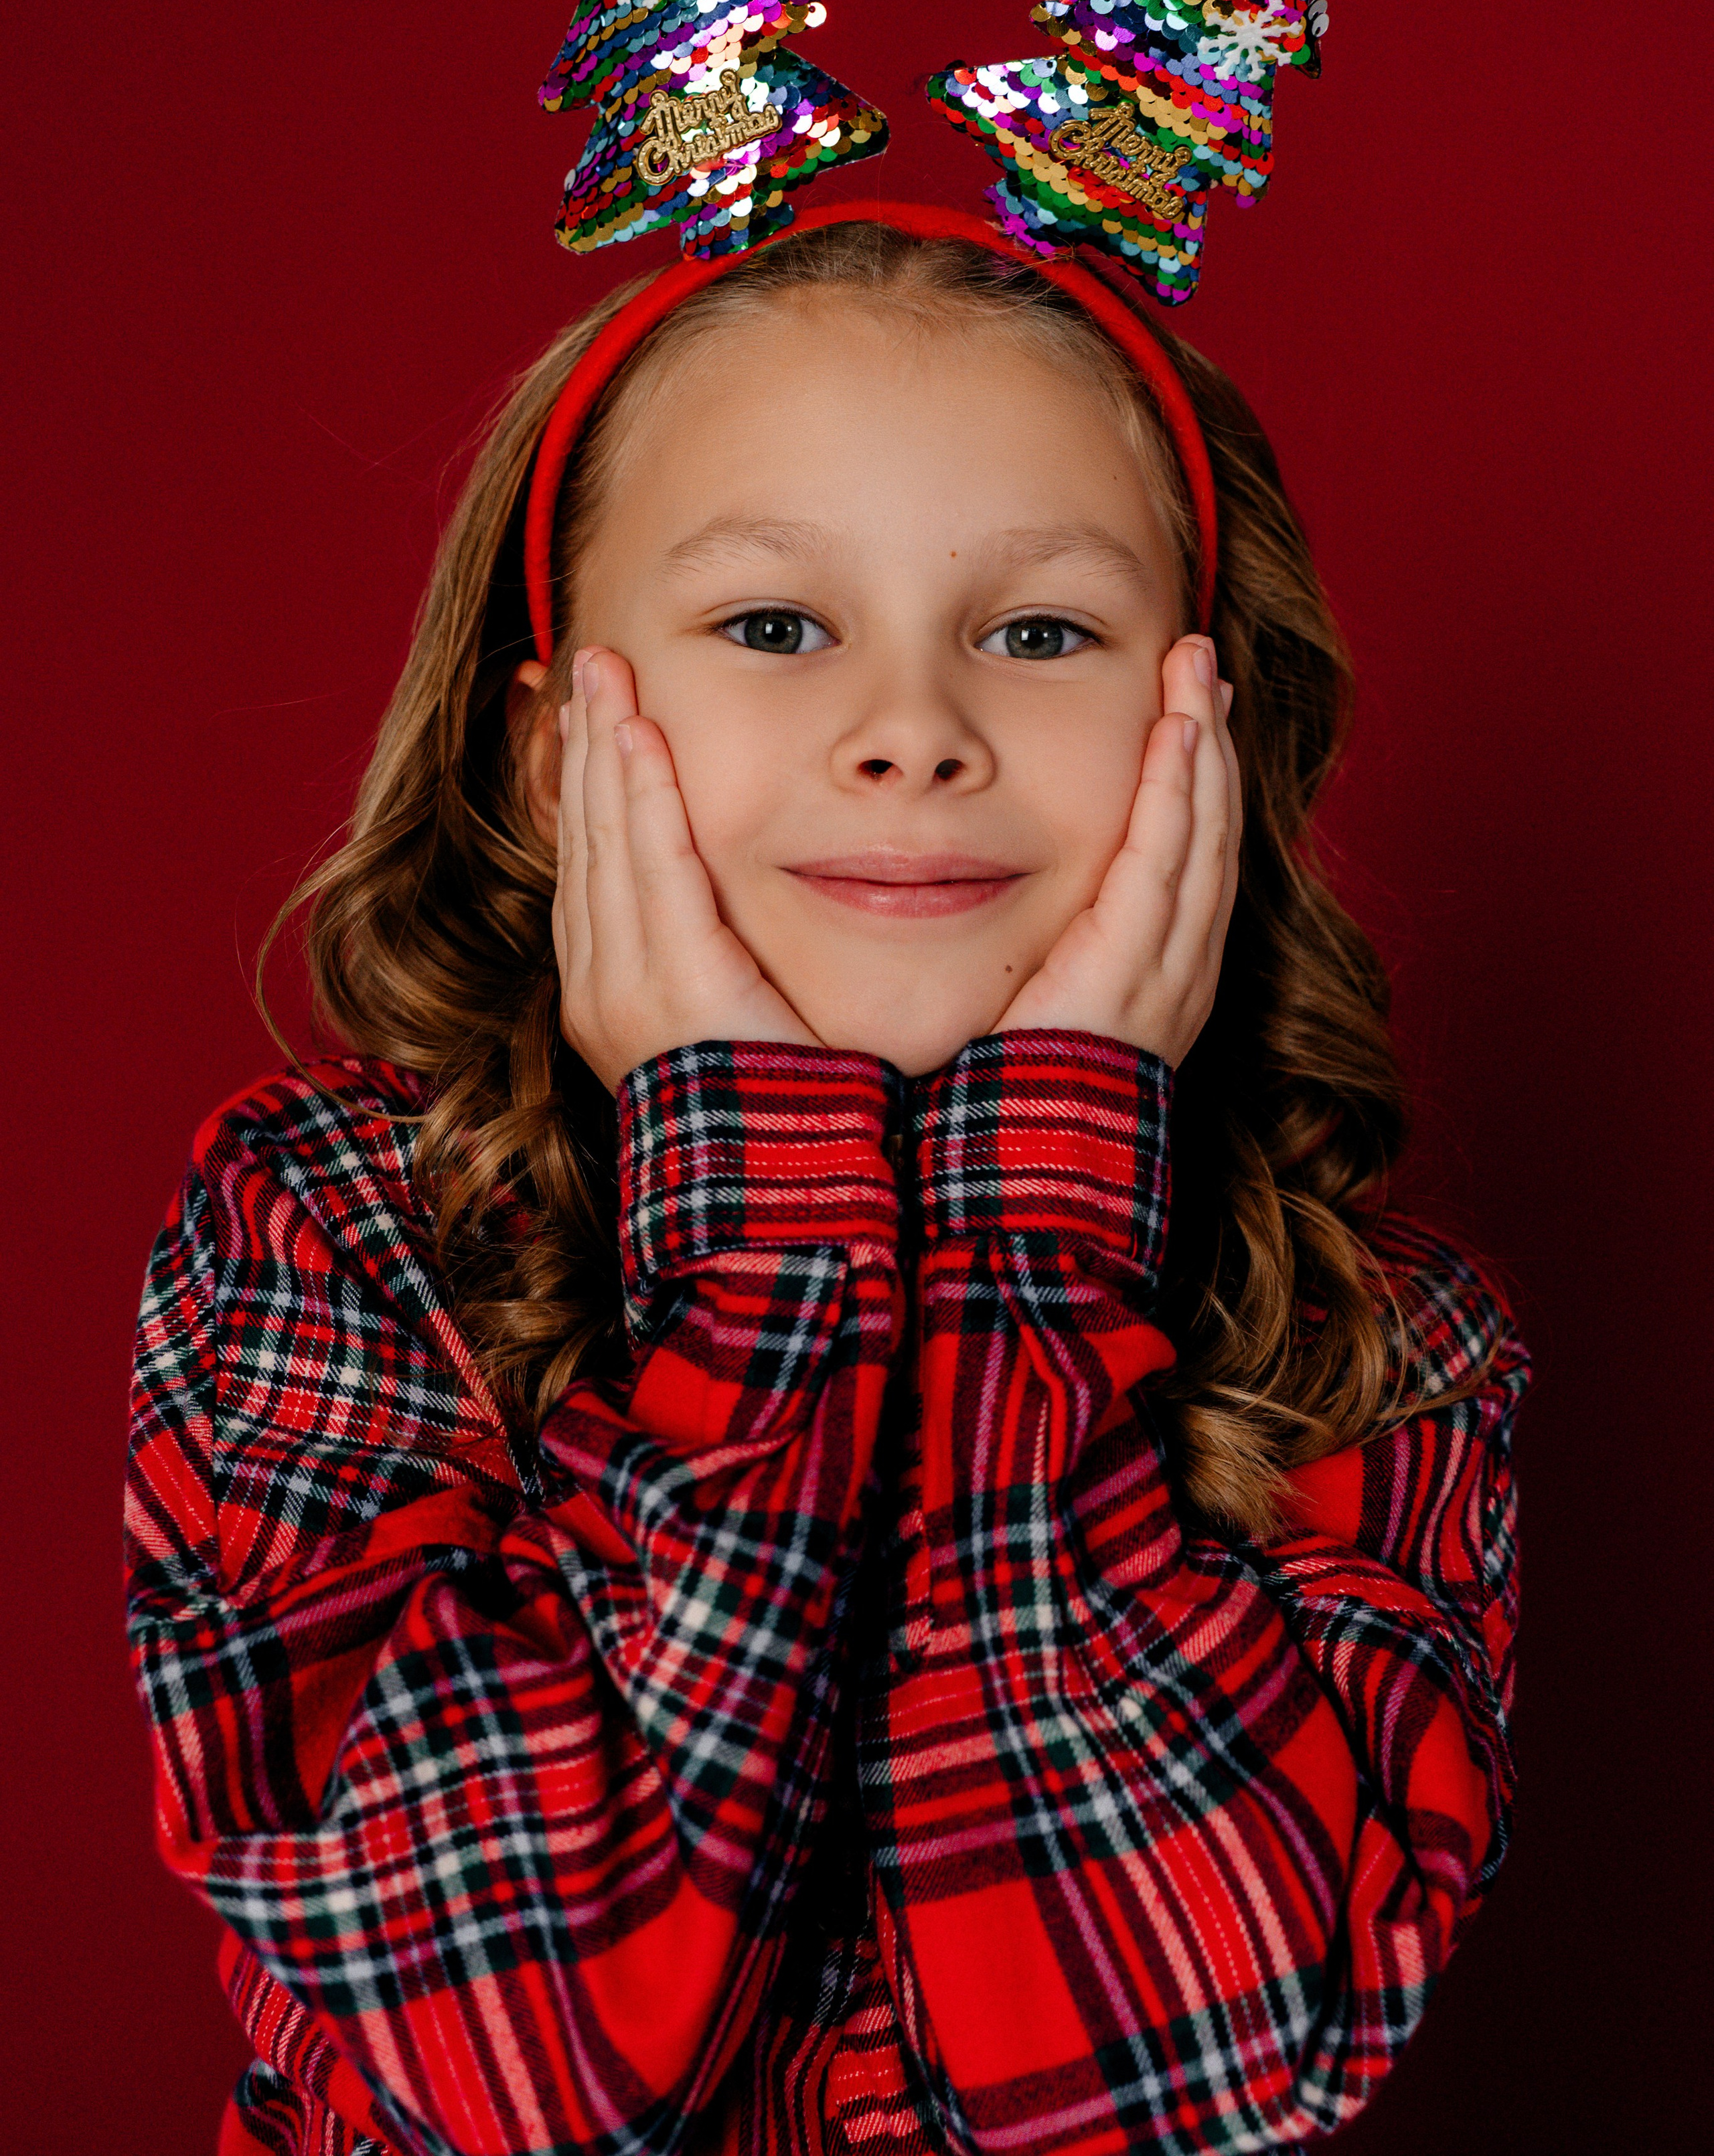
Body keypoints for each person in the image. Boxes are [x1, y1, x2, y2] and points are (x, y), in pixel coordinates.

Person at [125, 212, 1529, 2156]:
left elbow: (1165, 2084)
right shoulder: (337, 1231)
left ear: (1210, 731)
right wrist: (768, 1227)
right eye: (776, 625)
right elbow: (512, 2080)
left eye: (1039, 633)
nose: (913, 733)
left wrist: (1038, 1224)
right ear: (551, 760)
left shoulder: (1379, 1347)